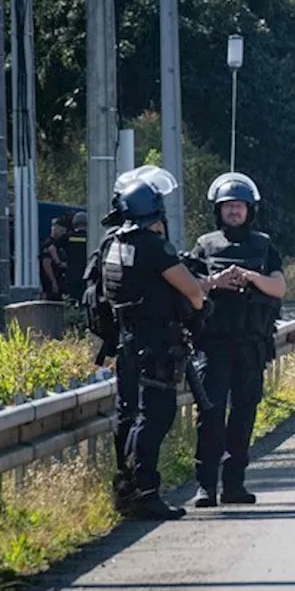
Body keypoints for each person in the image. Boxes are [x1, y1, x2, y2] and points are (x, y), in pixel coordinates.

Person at [102, 167, 207, 519]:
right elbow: (192, 292)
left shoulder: (112, 244)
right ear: (154, 210)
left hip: (128, 342)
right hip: (156, 344)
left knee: (129, 416)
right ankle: (144, 491)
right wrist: (196, 304)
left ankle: (125, 488)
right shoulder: (153, 246)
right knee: (156, 416)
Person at [189, 173, 285, 508]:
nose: (234, 212)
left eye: (239, 206)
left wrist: (251, 278)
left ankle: (234, 485)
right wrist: (216, 282)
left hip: (251, 345)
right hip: (213, 345)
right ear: (219, 210)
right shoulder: (204, 245)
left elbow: (279, 287)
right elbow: (190, 287)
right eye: (228, 206)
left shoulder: (264, 245)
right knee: (211, 414)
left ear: (249, 210)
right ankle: (205, 487)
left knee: (244, 414)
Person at [60, 211, 90, 302]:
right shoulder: (90, 237)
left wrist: (59, 262)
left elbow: (53, 246)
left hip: (71, 273)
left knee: (71, 300)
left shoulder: (68, 236)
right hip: (86, 273)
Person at [40, 218, 68, 301]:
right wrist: (53, 282)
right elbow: (46, 264)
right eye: (61, 230)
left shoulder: (58, 244)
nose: (63, 233)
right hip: (51, 283)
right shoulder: (49, 244)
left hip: (58, 280)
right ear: (54, 228)